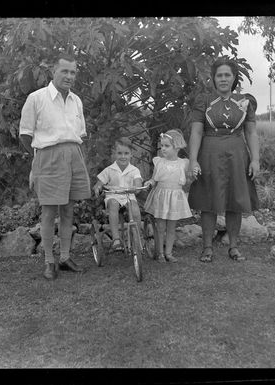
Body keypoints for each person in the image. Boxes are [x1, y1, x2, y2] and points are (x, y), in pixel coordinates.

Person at [19, 53, 91, 280]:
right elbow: (25, 135)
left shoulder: (76, 100)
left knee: (69, 209)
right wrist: (37, 160)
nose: (69, 76)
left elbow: (79, 135)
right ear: (53, 72)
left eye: (73, 72)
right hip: (48, 156)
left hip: (73, 155)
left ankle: (65, 257)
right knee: (49, 211)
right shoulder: (36, 98)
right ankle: (49, 261)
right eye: (65, 71)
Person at [187, 57, 260, 263]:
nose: (223, 79)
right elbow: (196, 132)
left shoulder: (245, 102)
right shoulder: (205, 101)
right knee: (208, 201)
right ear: (213, 78)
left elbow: (252, 132)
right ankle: (207, 247)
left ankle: (233, 246)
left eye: (227, 75)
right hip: (209, 153)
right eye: (219, 75)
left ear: (234, 77)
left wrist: (255, 160)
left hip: (237, 155)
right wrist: (193, 160)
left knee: (234, 200)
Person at [144, 129, 192, 263]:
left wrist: (192, 176)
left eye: (167, 146)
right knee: (160, 227)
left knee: (171, 227)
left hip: (175, 197)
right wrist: (150, 182)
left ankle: (169, 253)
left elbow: (188, 179)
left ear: (176, 147)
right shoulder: (159, 161)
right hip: (161, 197)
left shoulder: (183, 163)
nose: (163, 149)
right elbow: (154, 179)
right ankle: (159, 253)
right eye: (162, 145)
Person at [93, 137, 143, 251]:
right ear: (114, 154)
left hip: (128, 195)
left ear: (131, 155)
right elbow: (100, 182)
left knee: (135, 209)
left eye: (126, 153)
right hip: (113, 195)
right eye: (119, 153)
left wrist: (137, 187)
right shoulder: (109, 170)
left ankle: (137, 236)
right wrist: (98, 187)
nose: (123, 156)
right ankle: (116, 239)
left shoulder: (134, 170)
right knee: (113, 205)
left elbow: (138, 182)